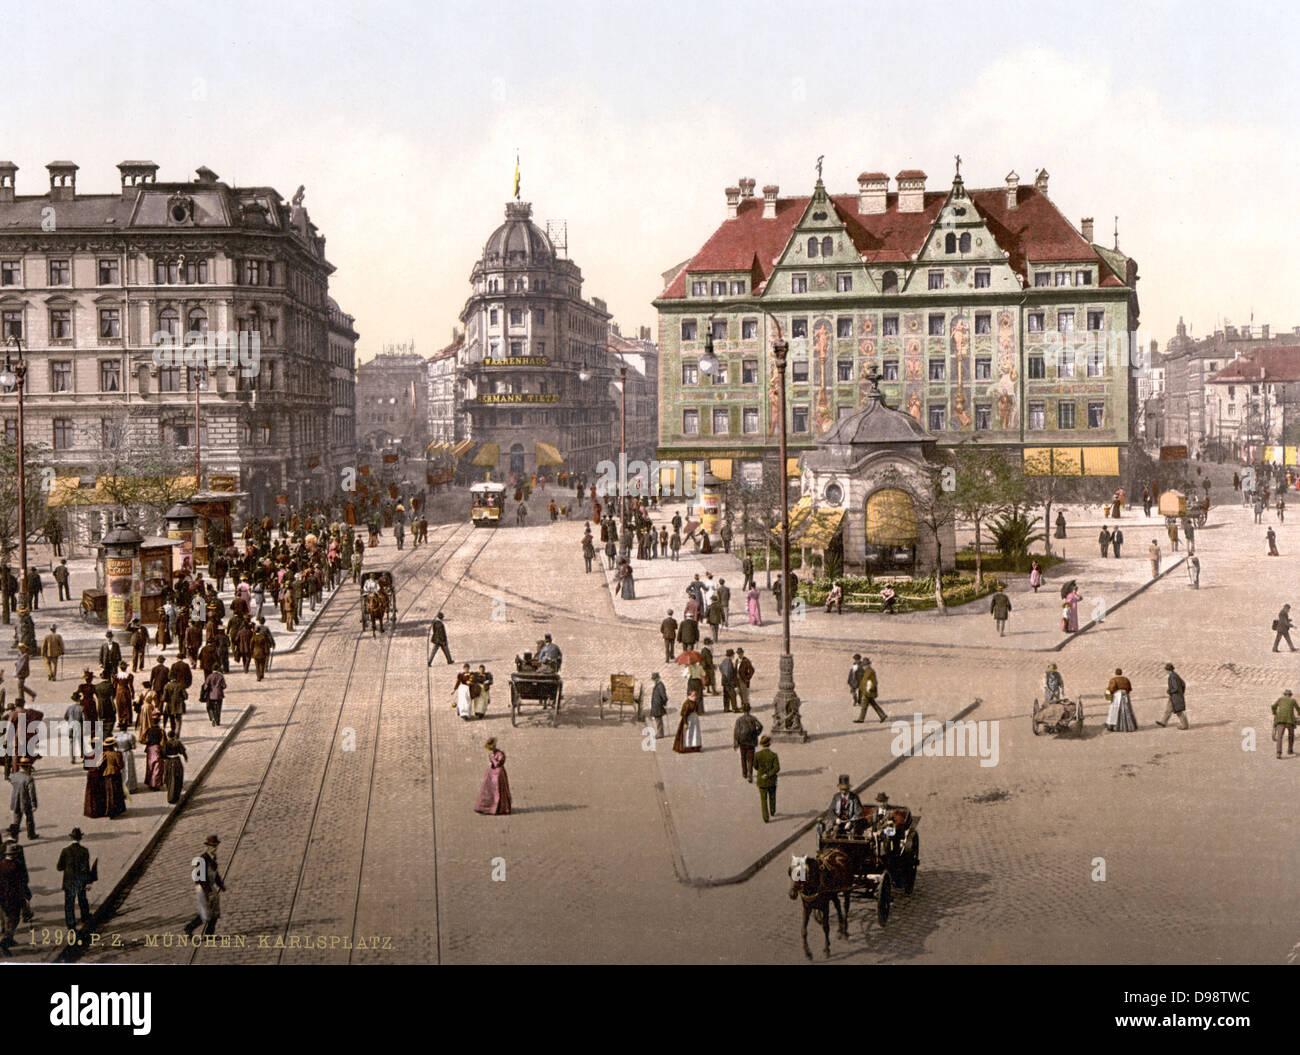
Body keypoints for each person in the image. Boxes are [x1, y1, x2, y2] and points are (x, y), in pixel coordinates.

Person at [183, 835, 225, 937]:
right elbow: (201, 878)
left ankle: (209, 934)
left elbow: (215, 873)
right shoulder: (202, 859)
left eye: (216, 846)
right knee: (205, 912)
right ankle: (189, 928)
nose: (214, 848)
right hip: (203, 889)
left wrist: (221, 885)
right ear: (207, 846)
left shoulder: (213, 857)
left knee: (215, 911)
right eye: (212, 846)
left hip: (211, 887)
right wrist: (208, 892)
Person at [57, 828, 93, 931]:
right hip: (80, 880)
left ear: (71, 838)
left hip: (69, 881)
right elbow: (86, 868)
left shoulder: (65, 851)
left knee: (69, 903)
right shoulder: (84, 851)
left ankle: (71, 924)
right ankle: (85, 917)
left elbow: (59, 867)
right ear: (80, 838)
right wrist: (88, 881)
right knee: (82, 900)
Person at [474, 738, 512, 815]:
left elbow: (497, 764)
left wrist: (492, 759)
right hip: (492, 772)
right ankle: (486, 807)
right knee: (488, 788)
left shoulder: (500, 754)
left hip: (498, 774)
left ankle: (499, 808)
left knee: (498, 788)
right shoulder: (493, 754)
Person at [754, 735, 780, 822]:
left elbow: (755, 766)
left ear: (761, 744)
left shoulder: (757, 755)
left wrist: (762, 772)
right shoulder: (774, 755)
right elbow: (777, 768)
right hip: (771, 780)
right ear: (769, 744)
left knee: (763, 800)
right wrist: (769, 774)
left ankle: (765, 817)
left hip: (761, 780)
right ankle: (772, 811)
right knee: (772, 797)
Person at [1156, 662, 1188, 730]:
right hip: (1174, 696)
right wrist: (1181, 692)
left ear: (1168, 670)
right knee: (1168, 709)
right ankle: (1163, 722)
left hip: (1175, 697)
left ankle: (1185, 725)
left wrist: (1170, 691)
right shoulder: (1175, 675)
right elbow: (1183, 684)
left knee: (1179, 711)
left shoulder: (1172, 676)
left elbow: (1175, 688)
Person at [9, 758, 35, 838]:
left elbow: (11, 781)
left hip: (15, 801)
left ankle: (14, 836)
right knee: (29, 818)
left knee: (16, 820)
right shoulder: (29, 778)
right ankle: (31, 834)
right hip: (25, 801)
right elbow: (32, 793)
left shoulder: (14, 776)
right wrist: (34, 803)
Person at [1105, 668, 1138, 732]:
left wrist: (1109, 695)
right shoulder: (1126, 679)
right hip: (1125, 695)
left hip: (1117, 696)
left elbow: (1111, 689)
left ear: (1115, 673)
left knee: (1115, 710)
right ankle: (1128, 726)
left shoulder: (1113, 680)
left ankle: (1114, 726)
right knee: (1127, 710)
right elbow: (1129, 688)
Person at [101, 737, 126, 819]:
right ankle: (117, 809)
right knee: (116, 791)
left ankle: (109, 809)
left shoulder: (104, 754)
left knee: (109, 792)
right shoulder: (117, 754)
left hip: (106, 773)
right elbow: (120, 765)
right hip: (115, 773)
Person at [855, 658, 886, 723]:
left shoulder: (870, 671)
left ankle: (861, 719)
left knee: (864, 706)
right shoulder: (867, 671)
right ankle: (882, 715)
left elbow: (874, 682)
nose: (863, 667)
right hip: (867, 691)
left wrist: (869, 689)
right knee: (873, 704)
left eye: (864, 665)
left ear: (867, 665)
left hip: (868, 692)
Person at [672, 689, 702, 754]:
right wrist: (685, 723)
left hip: (694, 720)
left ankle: (695, 746)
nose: (695, 697)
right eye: (693, 695)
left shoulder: (695, 702)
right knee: (688, 733)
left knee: (695, 733)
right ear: (689, 695)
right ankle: (687, 747)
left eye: (695, 695)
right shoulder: (687, 703)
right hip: (688, 720)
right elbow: (684, 714)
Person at [1272, 689, 1299, 758]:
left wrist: (1274, 713)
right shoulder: (1293, 700)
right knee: (1291, 735)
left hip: (1280, 720)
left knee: (1280, 737)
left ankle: (1278, 753)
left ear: (1284, 694)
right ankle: (1290, 750)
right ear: (1290, 695)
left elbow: (1273, 706)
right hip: (1290, 721)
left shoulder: (1280, 699)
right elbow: (1298, 709)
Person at [649, 672, 668, 739]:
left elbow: (664, 696)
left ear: (657, 678)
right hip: (656, 704)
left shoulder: (660, 685)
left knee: (658, 720)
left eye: (654, 679)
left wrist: (664, 703)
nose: (653, 680)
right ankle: (659, 733)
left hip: (658, 704)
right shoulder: (657, 685)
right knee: (657, 720)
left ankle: (660, 734)